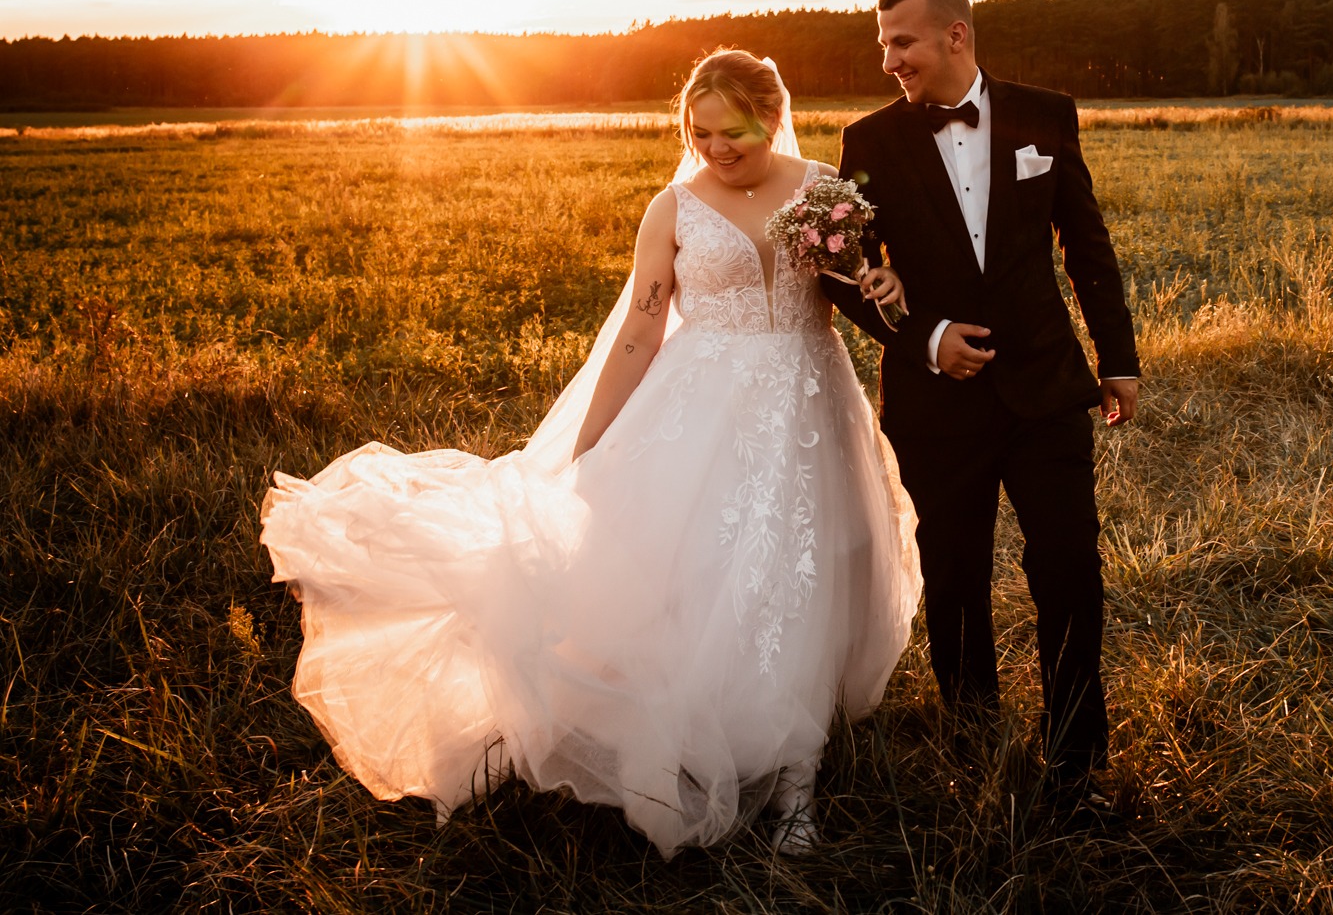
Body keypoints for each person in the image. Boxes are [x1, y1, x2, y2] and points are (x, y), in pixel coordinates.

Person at [259, 50, 920, 857]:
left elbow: (866, 282)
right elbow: (642, 327)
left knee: (801, 572)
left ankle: (795, 786)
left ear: (772, 117)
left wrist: (882, 281)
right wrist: (591, 441)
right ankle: (693, 728)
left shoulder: (825, 188)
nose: (715, 147)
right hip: (700, 408)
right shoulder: (673, 208)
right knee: (697, 576)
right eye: (699, 132)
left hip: (809, 401)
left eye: (733, 132)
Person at [817, 0, 1140, 799]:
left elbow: (1085, 241)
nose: (889, 59)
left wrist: (1118, 358)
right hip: (934, 404)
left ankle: (1075, 754)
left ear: (955, 35)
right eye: (882, 43)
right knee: (955, 575)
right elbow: (841, 271)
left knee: (1068, 566)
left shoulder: (1046, 113)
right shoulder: (869, 140)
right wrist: (925, 338)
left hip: (1046, 386)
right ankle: (972, 739)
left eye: (902, 41)